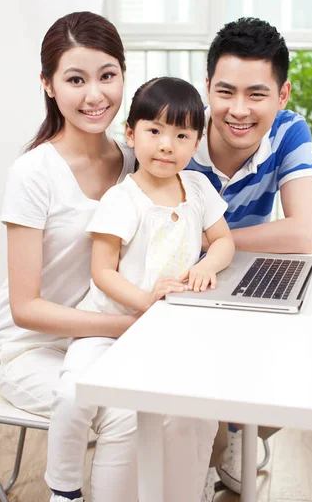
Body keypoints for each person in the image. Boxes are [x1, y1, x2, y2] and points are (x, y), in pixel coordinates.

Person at [0, 12, 220, 502]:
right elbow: (26, 309)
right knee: (125, 407)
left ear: (123, 75)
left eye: (107, 76)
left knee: (192, 398)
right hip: (35, 347)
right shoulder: (33, 174)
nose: (94, 94)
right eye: (75, 79)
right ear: (48, 85)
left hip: (111, 330)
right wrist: (141, 322)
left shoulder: (134, 159)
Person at [46, 75, 235, 502]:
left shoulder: (199, 189)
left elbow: (224, 240)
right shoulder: (122, 199)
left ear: (196, 143)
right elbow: (103, 271)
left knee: (192, 408)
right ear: (131, 134)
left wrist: (207, 264)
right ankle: (63, 487)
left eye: (182, 135)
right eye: (154, 131)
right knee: (73, 391)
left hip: (166, 331)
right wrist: (144, 302)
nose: (167, 145)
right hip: (108, 327)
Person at [187, 17, 312, 500]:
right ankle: (204, 448)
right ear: (207, 88)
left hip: (234, 274)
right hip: (182, 283)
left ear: (283, 95)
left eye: (257, 94)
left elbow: (305, 231)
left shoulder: (289, 130)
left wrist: (216, 241)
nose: (238, 110)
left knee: (301, 364)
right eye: (225, 92)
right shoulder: (177, 131)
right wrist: (213, 249)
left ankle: (237, 434)